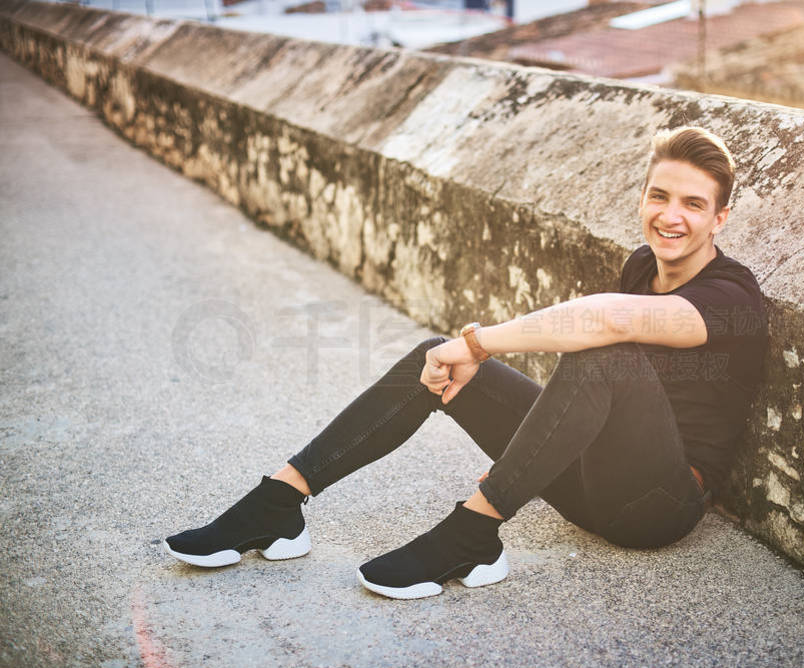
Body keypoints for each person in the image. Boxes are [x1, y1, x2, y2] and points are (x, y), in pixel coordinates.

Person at [164, 126, 768, 600]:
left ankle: (473, 535)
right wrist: (472, 370)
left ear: (720, 219)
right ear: (642, 198)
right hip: (587, 482)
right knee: (435, 358)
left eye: (694, 204)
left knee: (600, 353)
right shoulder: (643, 266)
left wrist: (478, 342)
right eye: (659, 196)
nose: (671, 216)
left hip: (656, 508)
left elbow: (607, 323)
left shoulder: (731, 298)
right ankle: (278, 503)